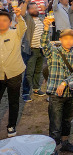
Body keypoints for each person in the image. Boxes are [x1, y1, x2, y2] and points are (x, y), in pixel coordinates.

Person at [41, 21, 73, 153]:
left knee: (67, 121)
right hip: (55, 94)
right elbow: (44, 44)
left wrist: (65, 83)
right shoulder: (53, 52)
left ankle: (65, 143)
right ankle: (52, 148)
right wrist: (46, 28)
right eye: (66, 38)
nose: (68, 41)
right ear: (60, 39)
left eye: (71, 38)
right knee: (55, 124)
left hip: (71, 93)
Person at [0, 8, 26, 137]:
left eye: (5, 20)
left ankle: (11, 125)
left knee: (13, 101)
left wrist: (18, 16)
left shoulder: (15, 33)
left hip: (14, 72)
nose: (1, 23)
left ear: (10, 22)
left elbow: (23, 26)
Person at [21, 0, 46, 103]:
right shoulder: (27, 18)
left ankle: (36, 89)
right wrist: (26, 2)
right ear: (28, 10)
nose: (35, 9)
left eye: (36, 7)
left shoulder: (41, 18)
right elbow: (22, 13)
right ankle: (25, 93)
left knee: (38, 70)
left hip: (41, 49)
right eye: (33, 8)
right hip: (30, 49)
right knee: (29, 72)